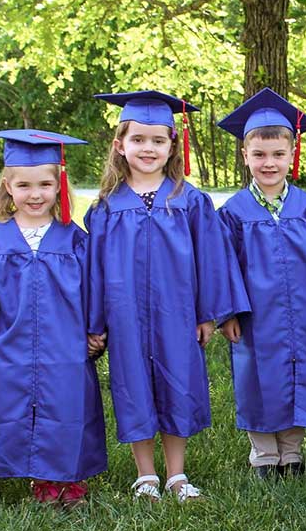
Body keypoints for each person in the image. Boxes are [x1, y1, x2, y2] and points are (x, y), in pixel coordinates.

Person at [87, 91, 248, 501]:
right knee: (132, 385)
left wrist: (207, 314)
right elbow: (93, 269)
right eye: (138, 140)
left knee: (179, 383)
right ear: (119, 145)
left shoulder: (190, 200)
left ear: (173, 145)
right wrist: (95, 322)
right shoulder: (105, 207)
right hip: (124, 316)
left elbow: (211, 258)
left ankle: (176, 474)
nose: (148, 148)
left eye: (158, 140)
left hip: (177, 313)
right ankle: (146, 474)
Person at [215, 88, 306, 478]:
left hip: (304, 313)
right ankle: (263, 455)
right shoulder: (232, 214)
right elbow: (221, 266)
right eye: (259, 155)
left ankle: (292, 453)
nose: (269, 163)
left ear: (292, 155)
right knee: (257, 379)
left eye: (278, 154)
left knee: (301, 375)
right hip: (255, 316)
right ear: (244, 156)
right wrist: (227, 311)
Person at [0, 129, 107, 508]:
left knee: (68, 407)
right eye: (24, 185)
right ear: (8, 187)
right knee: (13, 406)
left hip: (67, 344)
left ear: (59, 187)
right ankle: (37, 477)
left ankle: (68, 480)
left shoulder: (76, 239)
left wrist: (95, 330)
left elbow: (95, 287)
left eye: (45, 184)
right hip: (10, 345)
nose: (35, 194)